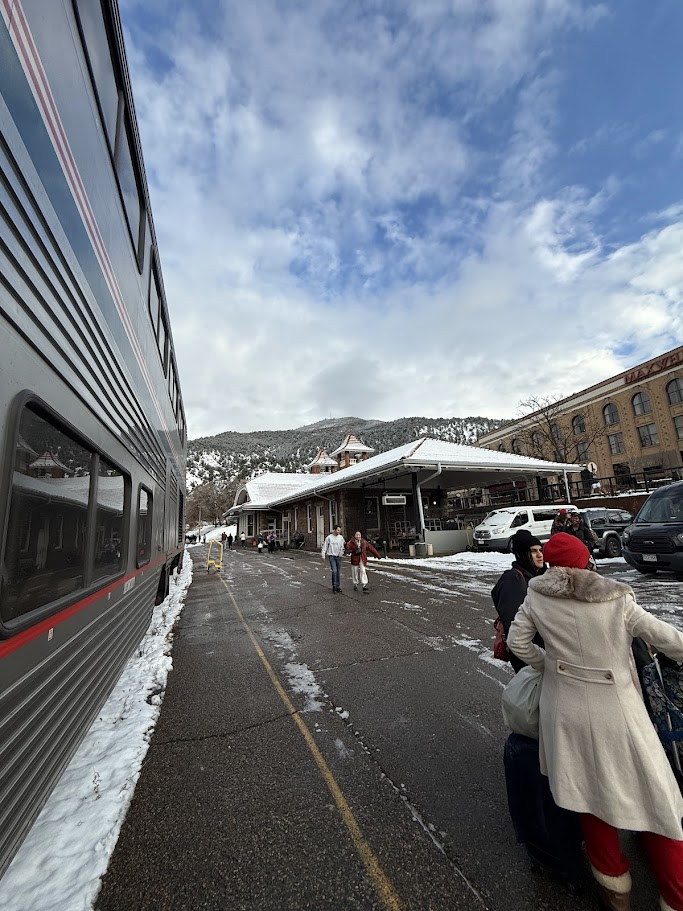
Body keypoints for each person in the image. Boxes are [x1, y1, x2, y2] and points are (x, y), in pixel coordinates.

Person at [507, 533, 683, 911]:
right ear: (587, 559)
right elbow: (668, 639)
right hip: (618, 711)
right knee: (656, 802)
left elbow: (517, 643)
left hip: (564, 713)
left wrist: (550, 666)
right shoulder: (617, 598)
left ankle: (616, 892)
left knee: (588, 797)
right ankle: (675, 895)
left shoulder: (537, 595)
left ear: (551, 563)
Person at [491, 529, 545, 674]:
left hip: (540, 650)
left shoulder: (535, 576)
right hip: (528, 655)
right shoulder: (513, 580)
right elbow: (513, 624)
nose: (540, 555)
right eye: (533, 551)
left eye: (541, 550)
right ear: (522, 554)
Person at [321, 524, 346, 593]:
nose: (339, 532)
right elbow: (325, 546)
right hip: (331, 555)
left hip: (338, 556)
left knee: (338, 571)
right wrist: (323, 555)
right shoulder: (329, 538)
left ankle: (338, 586)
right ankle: (334, 586)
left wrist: (341, 552)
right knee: (334, 570)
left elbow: (342, 546)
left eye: (340, 531)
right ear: (334, 530)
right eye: (338, 530)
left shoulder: (341, 538)